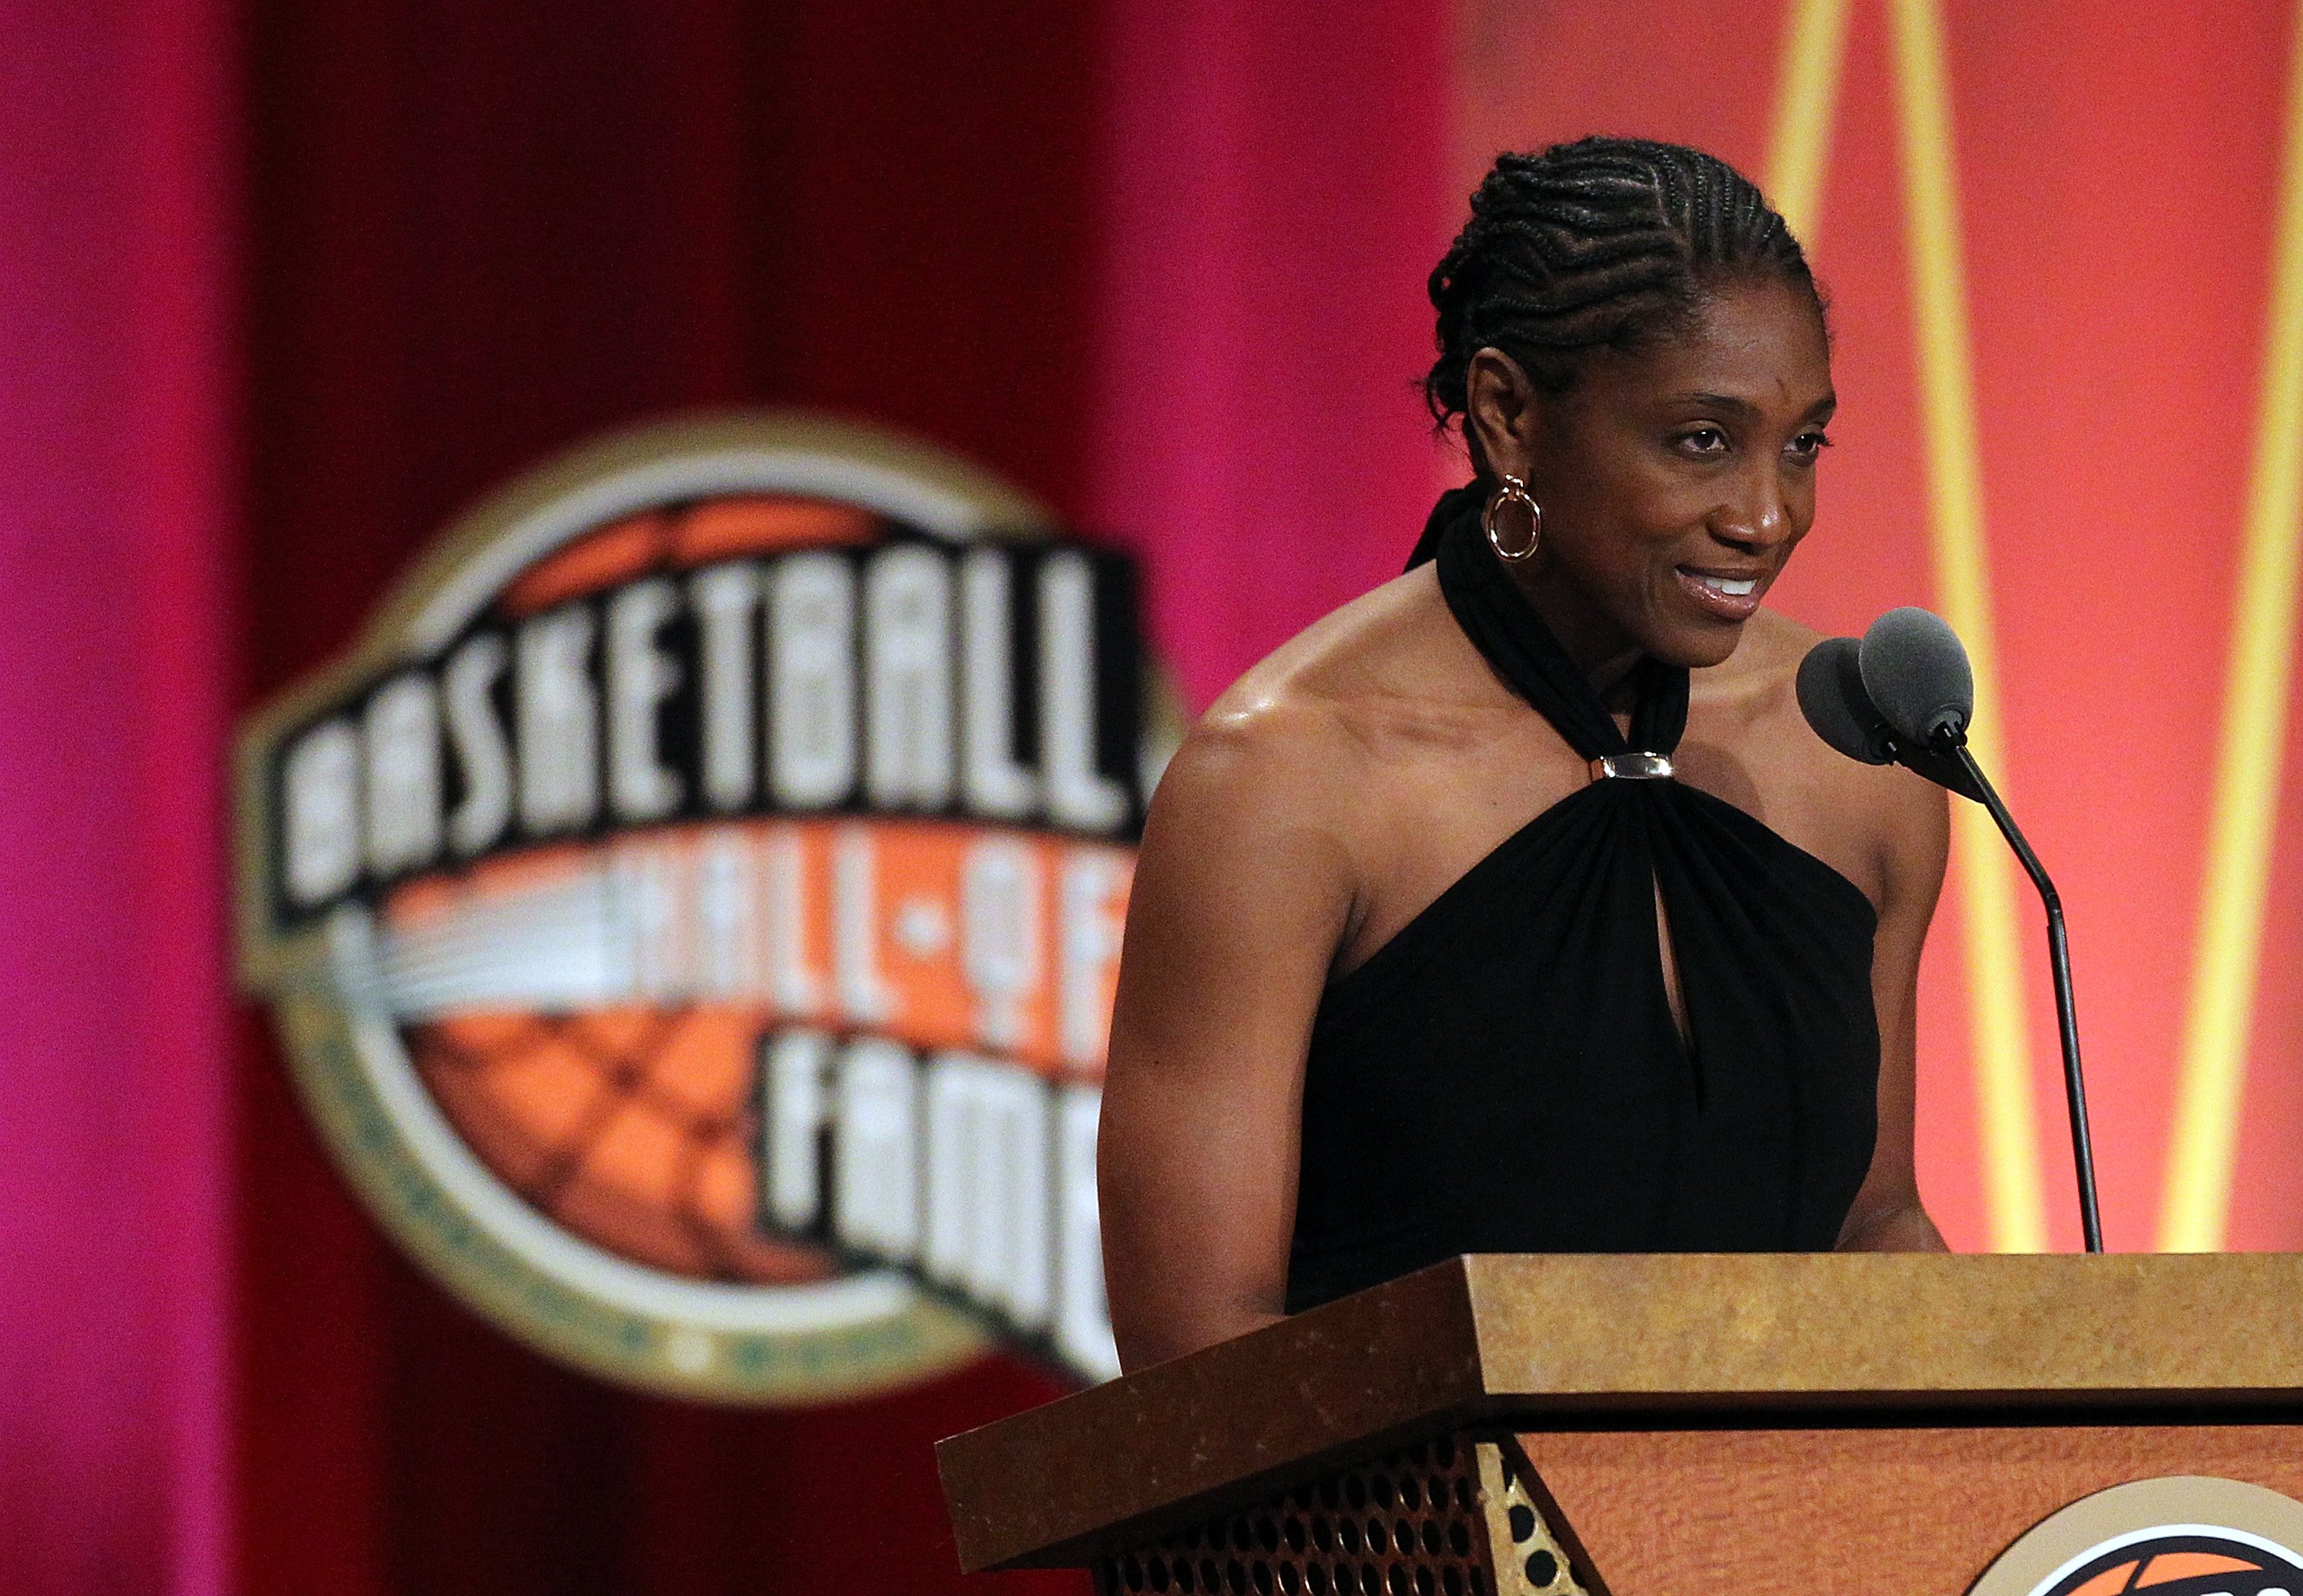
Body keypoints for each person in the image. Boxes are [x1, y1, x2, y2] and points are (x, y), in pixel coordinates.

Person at [1096, 137, 1951, 1374]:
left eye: (1803, 444)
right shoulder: (1286, 783)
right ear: (1507, 415)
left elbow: (1870, 1226)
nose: (1767, 518)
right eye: (1703, 441)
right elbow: (1198, 1361)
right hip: (1404, 1557)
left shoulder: (1855, 757)